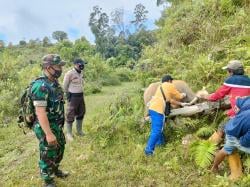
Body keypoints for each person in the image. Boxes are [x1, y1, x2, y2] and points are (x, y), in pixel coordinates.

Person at [31, 54, 68, 187]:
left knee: (60, 147)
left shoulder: (54, 84)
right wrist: (48, 133)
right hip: (45, 126)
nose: (60, 69)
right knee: (48, 152)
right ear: (48, 67)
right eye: (58, 66)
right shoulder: (40, 86)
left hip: (56, 124)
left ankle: (55, 169)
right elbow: (40, 112)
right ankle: (48, 180)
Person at [203, 60, 250, 144]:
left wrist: (207, 97)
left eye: (228, 71)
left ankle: (209, 147)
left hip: (238, 114)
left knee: (222, 127)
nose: (228, 73)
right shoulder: (248, 80)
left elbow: (218, 95)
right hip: (247, 112)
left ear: (232, 72)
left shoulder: (231, 81)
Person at [144, 75, 187, 155]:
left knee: (158, 129)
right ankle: (148, 151)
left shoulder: (160, 87)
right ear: (169, 81)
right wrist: (183, 95)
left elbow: (169, 100)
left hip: (152, 108)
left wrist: (181, 103)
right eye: (172, 82)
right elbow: (179, 96)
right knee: (156, 131)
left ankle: (160, 143)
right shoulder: (170, 85)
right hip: (158, 110)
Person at [211, 97, 250, 180]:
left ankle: (214, 166)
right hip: (233, 132)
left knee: (225, 150)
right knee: (227, 150)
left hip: (234, 123)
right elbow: (244, 142)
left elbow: (239, 101)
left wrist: (239, 115)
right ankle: (216, 168)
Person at [63, 58, 86, 141]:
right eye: (80, 64)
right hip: (73, 97)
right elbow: (65, 85)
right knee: (70, 114)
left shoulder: (81, 73)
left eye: (83, 64)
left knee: (81, 112)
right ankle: (69, 133)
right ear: (75, 64)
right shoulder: (69, 73)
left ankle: (79, 131)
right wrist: (67, 95)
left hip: (80, 96)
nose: (82, 66)